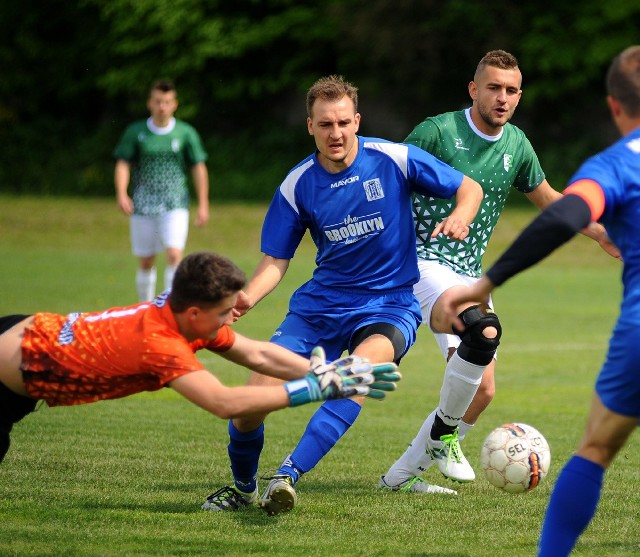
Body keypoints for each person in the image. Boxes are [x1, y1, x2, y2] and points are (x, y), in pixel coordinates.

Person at [201, 74, 484, 515]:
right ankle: (242, 489)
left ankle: (287, 476)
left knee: (357, 374)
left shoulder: (393, 158)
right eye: (325, 124)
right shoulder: (298, 184)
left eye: (342, 123)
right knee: (250, 403)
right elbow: (276, 260)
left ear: (357, 121)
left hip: (390, 305)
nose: (336, 134)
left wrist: (462, 215)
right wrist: (244, 299)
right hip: (319, 309)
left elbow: (469, 188)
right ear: (309, 126)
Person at [379, 50, 620, 491]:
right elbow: (389, 181)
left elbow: (550, 199)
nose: (502, 97)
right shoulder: (437, 131)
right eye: (493, 88)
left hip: (470, 273)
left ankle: (400, 478)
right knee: (480, 340)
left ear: (519, 95)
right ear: (474, 90)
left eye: (510, 90)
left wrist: (599, 233)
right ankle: (443, 437)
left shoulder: (516, 144)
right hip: (423, 261)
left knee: (483, 391)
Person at [437, 45, 640, 557]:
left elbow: (564, 214)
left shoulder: (614, 165)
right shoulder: (442, 131)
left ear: (614, 107)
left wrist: (487, 283)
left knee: (593, 450)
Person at [0, 251, 401, 466]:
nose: (232, 317)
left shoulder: (183, 314)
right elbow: (224, 403)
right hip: (12, 367)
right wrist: (311, 389)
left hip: (24, 345)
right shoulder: (161, 344)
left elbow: (256, 352)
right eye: (225, 311)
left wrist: (321, 369)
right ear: (195, 314)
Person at [114, 79, 210, 302]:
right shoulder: (136, 132)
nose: (162, 107)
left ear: (174, 104)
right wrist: (121, 192)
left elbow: (198, 167)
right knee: (146, 259)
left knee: (174, 255)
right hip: (143, 203)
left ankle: (168, 308)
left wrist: (203, 203)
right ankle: (146, 308)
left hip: (175, 203)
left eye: (167, 102)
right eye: (158, 102)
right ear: (150, 103)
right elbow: (123, 163)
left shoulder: (185, 133)